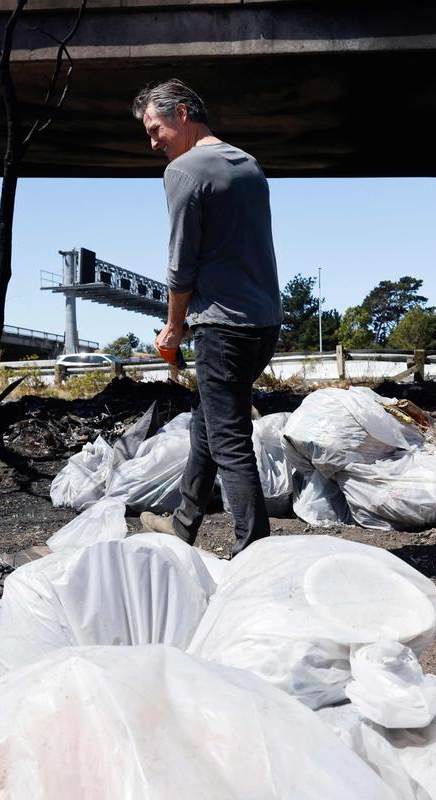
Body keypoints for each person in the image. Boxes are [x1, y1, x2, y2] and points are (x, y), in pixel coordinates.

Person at [132, 79, 283, 556]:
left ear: (181, 113)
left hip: (221, 326)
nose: (152, 141)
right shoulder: (248, 165)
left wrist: (174, 327)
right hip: (264, 323)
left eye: (155, 129)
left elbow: (181, 263)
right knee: (209, 421)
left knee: (229, 438)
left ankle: (253, 552)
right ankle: (184, 521)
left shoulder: (183, 170)